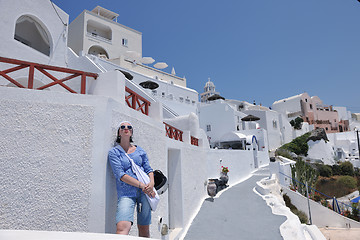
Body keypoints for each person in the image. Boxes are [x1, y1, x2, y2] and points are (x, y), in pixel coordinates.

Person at [108, 121, 155, 237]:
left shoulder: (140, 151)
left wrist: (152, 183)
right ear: (119, 132)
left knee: (144, 229)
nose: (126, 129)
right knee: (122, 228)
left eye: (129, 127)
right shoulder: (114, 152)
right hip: (126, 193)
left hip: (145, 193)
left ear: (131, 132)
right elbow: (120, 175)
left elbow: (148, 169)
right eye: (122, 127)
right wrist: (141, 185)